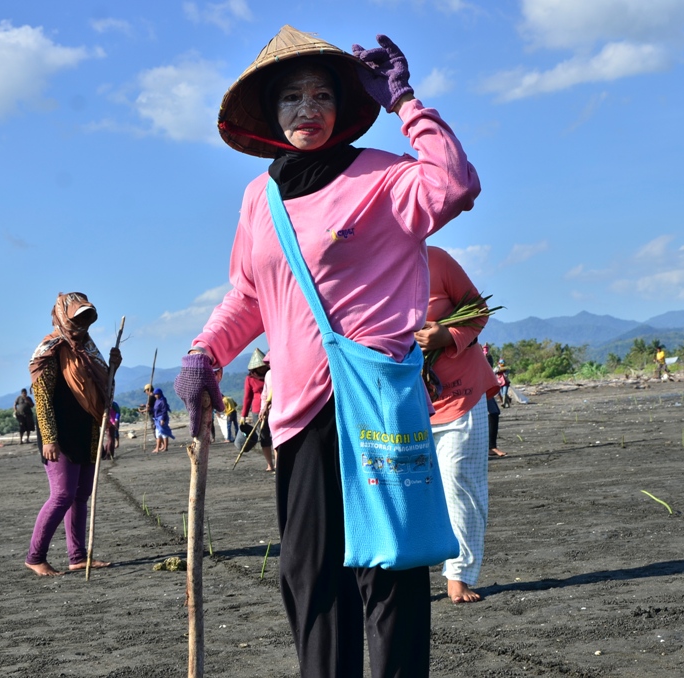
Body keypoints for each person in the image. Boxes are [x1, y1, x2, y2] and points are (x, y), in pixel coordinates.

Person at [174, 25, 479, 677]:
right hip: (299, 415)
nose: (306, 108)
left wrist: (406, 103)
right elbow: (249, 295)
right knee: (310, 577)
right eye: (291, 97)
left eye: (321, 95)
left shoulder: (382, 177)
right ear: (271, 113)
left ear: (342, 106)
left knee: (389, 572)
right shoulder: (259, 198)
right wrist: (206, 352)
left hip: (374, 403)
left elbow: (454, 185)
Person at [415, 246, 498, 604]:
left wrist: (447, 335)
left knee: (460, 485)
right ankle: (409, 574)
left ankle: (459, 574)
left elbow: (477, 311)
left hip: (460, 396)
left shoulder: (436, 260)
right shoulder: (368, 268)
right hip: (406, 402)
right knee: (410, 492)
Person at [25, 292, 121, 576]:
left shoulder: (89, 351)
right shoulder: (49, 350)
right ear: (62, 315)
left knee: (81, 495)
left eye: (85, 319)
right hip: (60, 435)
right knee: (62, 495)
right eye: (76, 318)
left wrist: (113, 368)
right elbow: (42, 398)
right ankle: (35, 557)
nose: (81, 325)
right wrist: (49, 438)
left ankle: (77, 556)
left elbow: (103, 392)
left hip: (87, 429)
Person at [241, 348, 274, 471]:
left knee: (275, 435)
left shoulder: (271, 374)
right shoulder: (250, 379)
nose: (261, 369)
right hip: (257, 411)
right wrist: (243, 415)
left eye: (262, 366)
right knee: (264, 437)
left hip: (273, 407)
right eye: (258, 367)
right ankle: (270, 464)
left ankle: (279, 463)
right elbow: (247, 397)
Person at [151, 389, 174, 453]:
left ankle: (165, 447)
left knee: (163, 432)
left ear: (159, 394)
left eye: (156, 394)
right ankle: (157, 448)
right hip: (157, 418)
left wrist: (163, 419)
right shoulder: (157, 401)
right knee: (158, 433)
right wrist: (148, 408)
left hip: (161, 418)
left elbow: (164, 411)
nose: (155, 396)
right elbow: (155, 409)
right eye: (155, 394)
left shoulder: (162, 401)